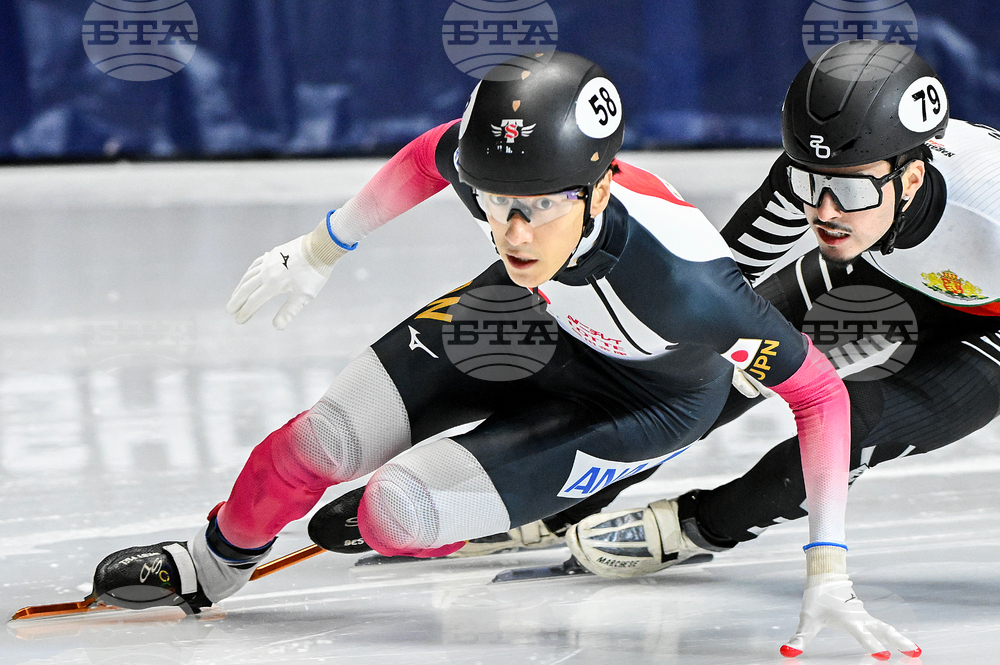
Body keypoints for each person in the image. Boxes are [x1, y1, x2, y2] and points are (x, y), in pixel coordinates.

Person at [90, 51, 915, 659]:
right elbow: (430, 155)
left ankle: (512, 507)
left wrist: (827, 571)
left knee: (396, 513)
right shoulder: (503, 171)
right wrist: (318, 249)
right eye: (496, 207)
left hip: (643, 401)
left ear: (597, 189)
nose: (513, 231)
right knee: (316, 444)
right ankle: (208, 565)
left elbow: (819, 396)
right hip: (528, 313)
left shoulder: (687, 282)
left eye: (539, 209)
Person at [556, 40, 999, 657]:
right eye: (809, 181)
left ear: (914, 176)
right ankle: (573, 484)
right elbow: (717, 284)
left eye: (846, 192)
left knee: (857, 423)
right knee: (716, 362)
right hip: (884, 270)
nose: (822, 209)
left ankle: (700, 525)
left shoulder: (990, 209)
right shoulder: (831, 176)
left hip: (990, 329)